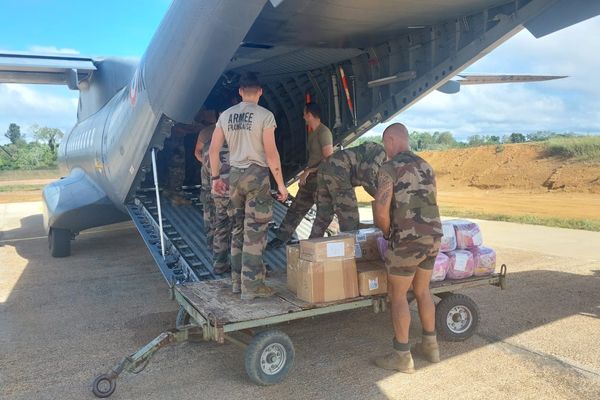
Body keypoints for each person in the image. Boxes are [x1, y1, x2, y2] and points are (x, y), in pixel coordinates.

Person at [208, 73, 288, 300]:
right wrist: (281, 185)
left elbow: (213, 151)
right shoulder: (265, 116)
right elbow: (271, 154)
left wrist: (215, 179)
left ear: (240, 91)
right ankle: (252, 286)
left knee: (237, 228)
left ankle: (236, 282)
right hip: (256, 176)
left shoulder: (225, 116)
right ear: (260, 91)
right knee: (255, 230)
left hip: (234, 176)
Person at [372, 123, 443, 373]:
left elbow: (382, 209)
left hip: (406, 240)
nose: (385, 149)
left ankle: (402, 356)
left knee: (398, 295)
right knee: (423, 290)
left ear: (391, 140)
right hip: (433, 237)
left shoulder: (389, 168)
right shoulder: (426, 165)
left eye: (384, 144)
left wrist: (385, 232)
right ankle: (431, 347)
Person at [267, 102, 333, 248]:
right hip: (310, 180)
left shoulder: (324, 133)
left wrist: (309, 171)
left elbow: (329, 159)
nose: (303, 117)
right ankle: (281, 238)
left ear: (309, 114)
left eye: (304, 114)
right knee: (295, 209)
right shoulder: (313, 134)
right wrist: (306, 173)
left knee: (322, 215)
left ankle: (312, 244)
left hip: (321, 180)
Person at [309, 141, 386, 238]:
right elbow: (367, 178)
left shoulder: (376, 153)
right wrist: (382, 199)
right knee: (350, 217)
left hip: (325, 167)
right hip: (339, 169)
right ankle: (350, 250)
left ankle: (310, 248)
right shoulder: (382, 153)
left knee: (324, 215)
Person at [194, 111, 232, 275]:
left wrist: (207, 165)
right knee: (231, 220)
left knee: (211, 212)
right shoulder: (232, 133)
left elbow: (197, 152)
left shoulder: (206, 134)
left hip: (210, 176)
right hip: (223, 180)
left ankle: (213, 246)